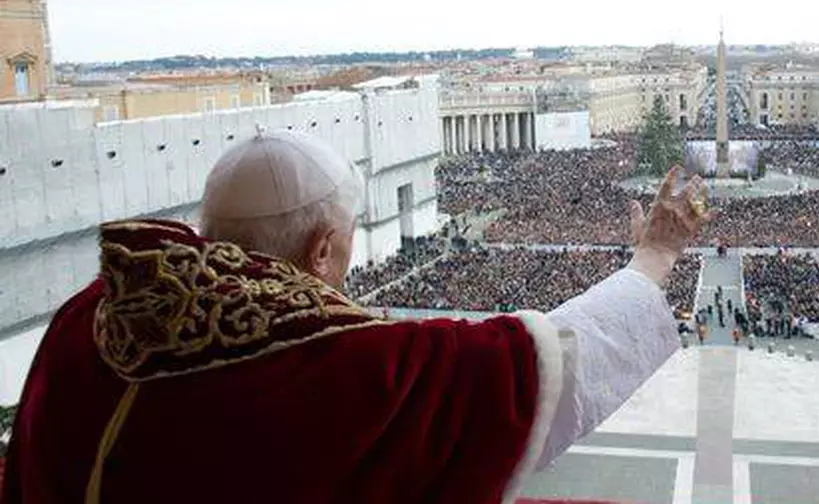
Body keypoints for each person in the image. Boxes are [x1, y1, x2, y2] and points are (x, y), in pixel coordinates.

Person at [2, 131, 710, 504]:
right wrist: (653, 254)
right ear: (319, 252)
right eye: (344, 243)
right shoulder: (332, 364)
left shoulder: (89, 317)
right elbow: (535, 369)